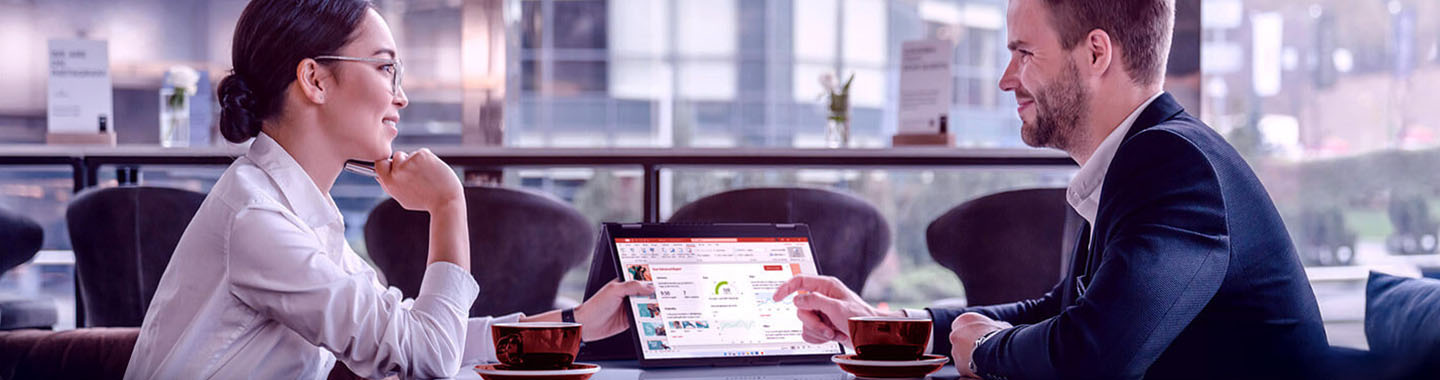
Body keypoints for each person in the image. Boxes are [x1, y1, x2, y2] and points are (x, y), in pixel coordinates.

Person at [772, 0, 1328, 378]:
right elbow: (1057, 312)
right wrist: (882, 327)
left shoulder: (1173, 164)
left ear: (1095, 53)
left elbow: (1094, 355)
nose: (1006, 78)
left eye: (1024, 53)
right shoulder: (1139, 159)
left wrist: (986, 351)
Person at [124, 1, 651, 378]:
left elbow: (416, 333)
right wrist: (448, 206)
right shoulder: (258, 221)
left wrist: (574, 323)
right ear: (314, 79)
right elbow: (427, 359)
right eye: (385, 67)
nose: (400, 96)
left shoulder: (298, 211)